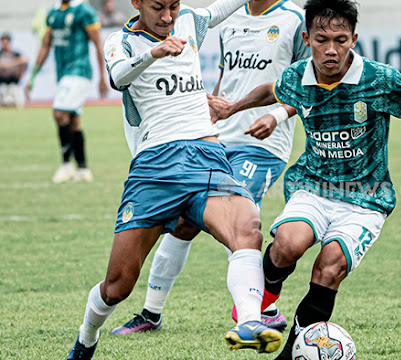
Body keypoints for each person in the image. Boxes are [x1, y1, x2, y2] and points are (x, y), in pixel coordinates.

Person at [209, 0, 401, 358]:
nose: (330, 49)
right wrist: (234, 108)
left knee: (330, 266)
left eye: (340, 39)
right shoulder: (298, 76)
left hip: (366, 198)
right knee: (287, 245)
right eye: (321, 39)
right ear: (307, 38)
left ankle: (291, 354)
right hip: (313, 187)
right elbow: (272, 89)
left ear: (354, 39)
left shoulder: (378, 79)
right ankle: (265, 298)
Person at [65, 0, 285, 358]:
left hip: (205, 155)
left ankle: (249, 320)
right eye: (157, 7)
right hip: (155, 166)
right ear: (136, 3)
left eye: (173, 5)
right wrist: (154, 52)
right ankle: (87, 335)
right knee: (117, 287)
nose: (168, 16)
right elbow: (118, 77)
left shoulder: (188, 21)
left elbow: (222, 8)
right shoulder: (119, 42)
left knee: (247, 227)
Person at [110, 0, 308, 336]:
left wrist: (275, 115)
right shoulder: (231, 20)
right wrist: (208, 105)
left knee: (242, 221)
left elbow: (310, 80)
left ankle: (263, 310)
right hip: (212, 137)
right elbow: (222, 74)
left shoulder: (295, 19)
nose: (168, 14)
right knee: (184, 224)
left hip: (261, 144)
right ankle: (151, 313)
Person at [26, 0, 108, 183]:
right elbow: (46, 46)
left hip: (79, 71)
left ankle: (66, 164)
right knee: (73, 121)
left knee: (59, 113)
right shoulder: (53, 13)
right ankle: (83, 168)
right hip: (63, 73)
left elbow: (97, 43)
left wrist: (103, 76)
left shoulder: (83, 10)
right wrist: (32, 76)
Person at [0, 32, 28, 108]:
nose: (5, 44)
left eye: (7, 41)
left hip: (14, 84)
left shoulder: (16, 54)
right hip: (2, 85)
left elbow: (24, 60)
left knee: (19, 104)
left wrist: (10, 63)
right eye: (3, 41)